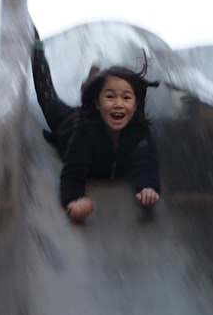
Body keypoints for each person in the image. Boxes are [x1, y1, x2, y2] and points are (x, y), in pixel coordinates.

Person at [30, 27, 162, 223]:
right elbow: (73, 172)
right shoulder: (85, 131)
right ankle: (37, 49)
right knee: (48, 99)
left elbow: (146, 163)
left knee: (95, 89)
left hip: (91, 112)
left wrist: (148, 187)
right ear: (98, 104)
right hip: (69, 123)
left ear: (135, 106)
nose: (118, 103)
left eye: (126, 97)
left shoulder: (139, 132)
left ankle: (91, 84)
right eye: (110, 96)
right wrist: (73, 201)